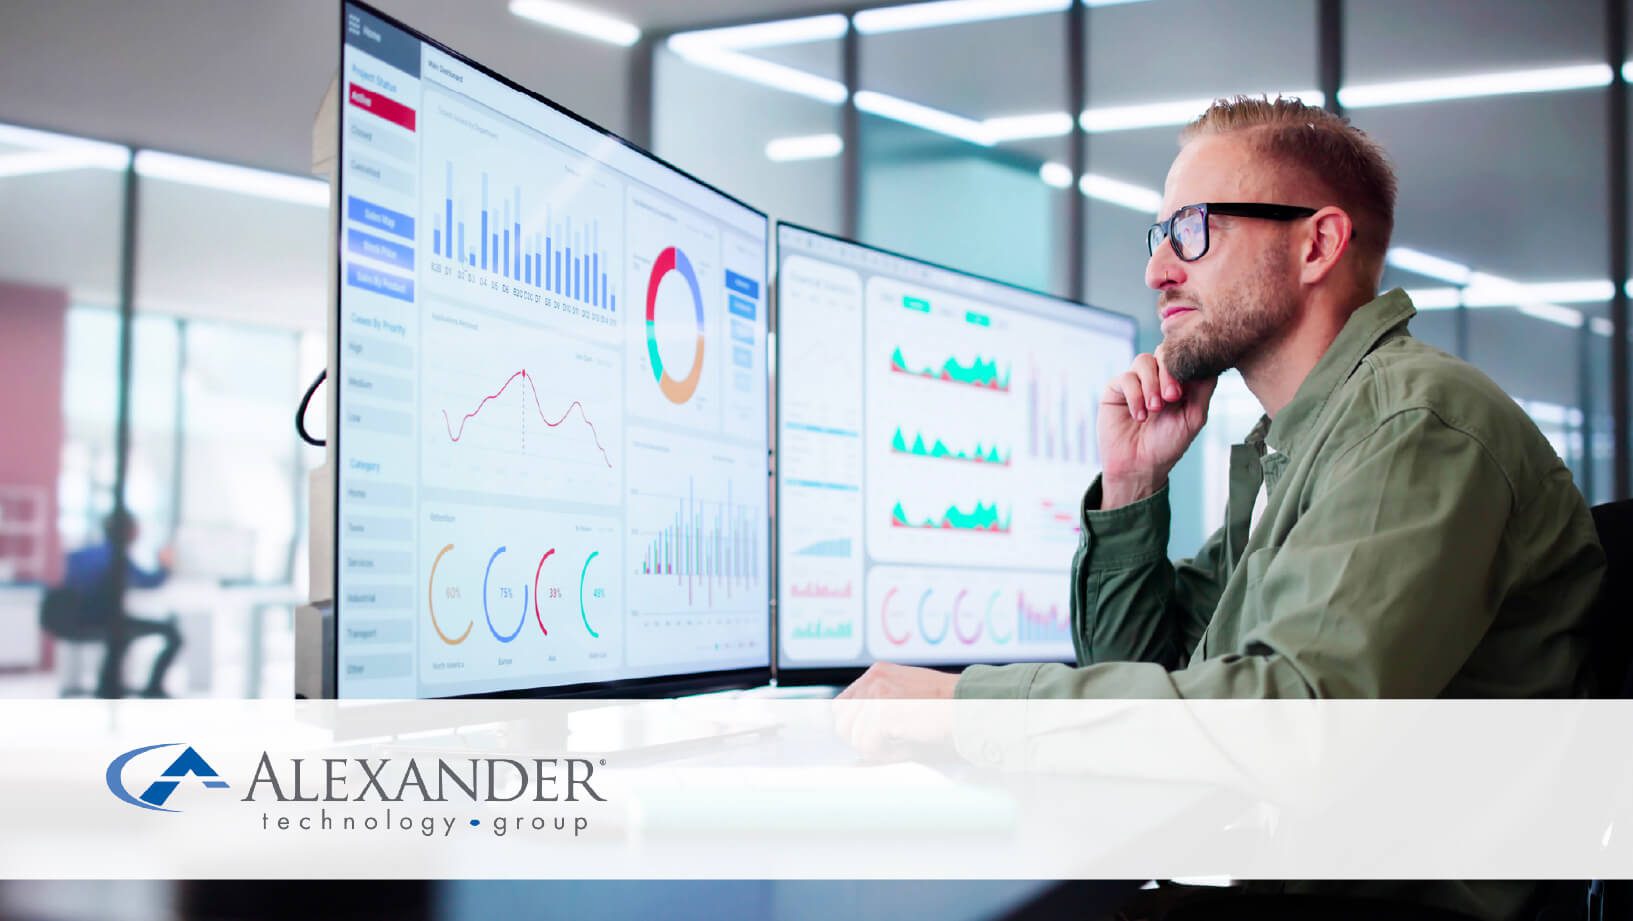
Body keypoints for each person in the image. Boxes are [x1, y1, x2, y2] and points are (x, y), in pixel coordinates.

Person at [837, 96, 1605, 920]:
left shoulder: (1413, 427)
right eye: (1158, 235)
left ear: (1316, 244)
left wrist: (961, 708)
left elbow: (1296, 727)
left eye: (1194, 229)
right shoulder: (1302, 445)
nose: (1158, 269)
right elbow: (1161, 678)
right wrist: (1133, 484)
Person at [61, 508, 183, 698]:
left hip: (75, 619)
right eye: (136, 528)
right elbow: (149, 582)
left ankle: (106, 686)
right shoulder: (117, 556)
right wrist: (165, 565)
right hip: (102, 620)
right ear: (127, 530)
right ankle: (153, 689)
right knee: (172, 634)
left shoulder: (82, 554)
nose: (139, 532)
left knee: (121, 635)